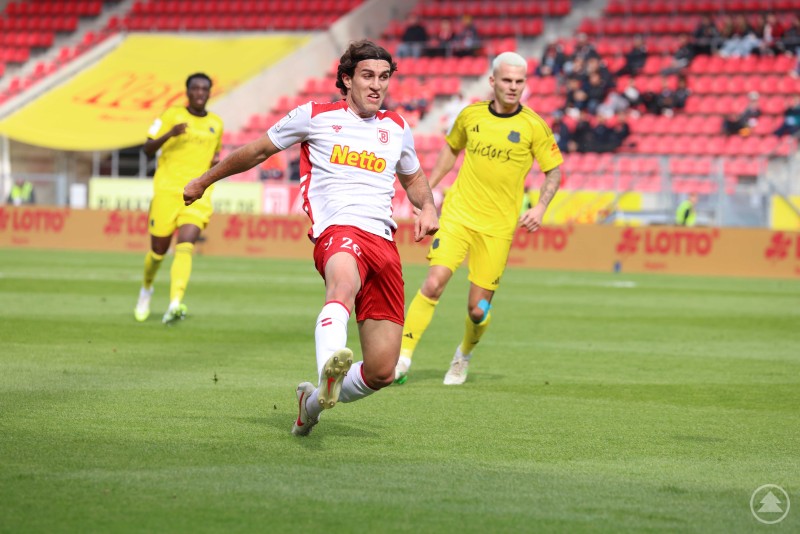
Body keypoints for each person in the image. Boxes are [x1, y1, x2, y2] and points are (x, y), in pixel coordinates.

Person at [182, 40, 439, 436]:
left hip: (384, 245)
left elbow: (414, 178)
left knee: (382, 371)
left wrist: (427, 207)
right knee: (343, 285)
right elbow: (256, 151)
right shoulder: (315, 116)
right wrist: (203, 180)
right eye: (367, 76)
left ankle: (313, 401)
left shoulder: (397, 128)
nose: (377, 86)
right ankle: (328, 365)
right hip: (337, 231)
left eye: (384, 77)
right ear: (347, 80)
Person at [394, 51, 563, 386]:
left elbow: (554, 171)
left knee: (476, 310)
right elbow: (451, 149)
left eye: (519, 82)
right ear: (493, 82)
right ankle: (402, 358)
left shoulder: (534, 127)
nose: (513, 87)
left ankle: (463, 356)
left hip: (498, 228)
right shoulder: (470, 116)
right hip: (458, 215)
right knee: (433, 283)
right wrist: (429, 192)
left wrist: (541, 206)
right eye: (507, 81)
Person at [133, 72, 223, 324]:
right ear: (187, 92)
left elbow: (214, 155)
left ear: (208, 92)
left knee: (186, 244)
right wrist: (170, 133)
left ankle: (174, 303)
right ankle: (146, 289)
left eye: (204, 89)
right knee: (158, 252)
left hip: (197, 194)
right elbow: (147, 148)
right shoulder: (172, 115)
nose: (199, 93)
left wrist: (214, 164)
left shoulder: (216, 123)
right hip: (167, 192)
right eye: (194, 88)